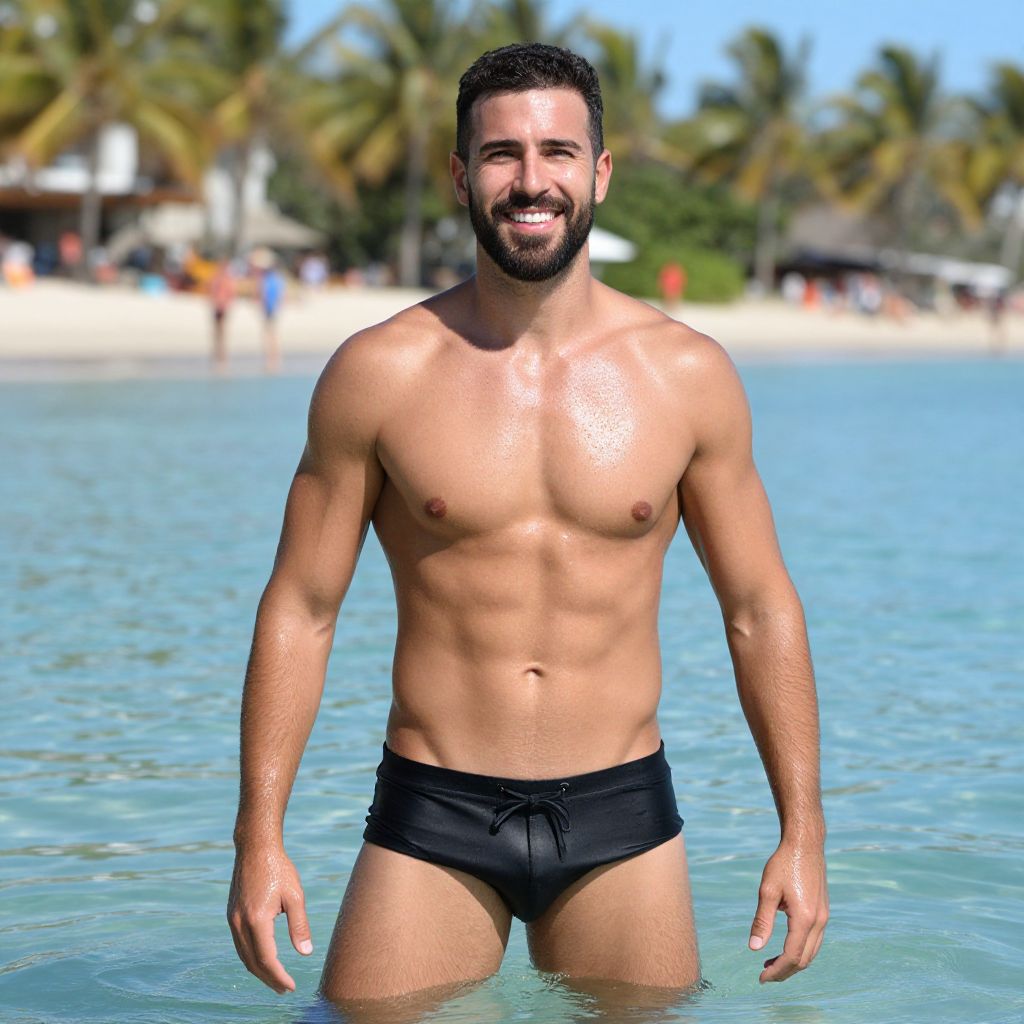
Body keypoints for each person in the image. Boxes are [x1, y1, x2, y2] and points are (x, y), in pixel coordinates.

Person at [227, 43, 828, 1008]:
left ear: (599, 173)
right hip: (435, 806)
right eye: (502, 154)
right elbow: (301, 608)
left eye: (558, 151)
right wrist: (259, 838)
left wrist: (803, 834)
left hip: (621, 812)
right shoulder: (380, 372)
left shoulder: (687, 377)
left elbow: (760, 608)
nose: (531, 180)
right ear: (463, 176)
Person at [209, 259, 235, 371]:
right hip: (218, 307)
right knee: (217, 333)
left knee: (222, 333)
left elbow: (231, 293)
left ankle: (222, 357)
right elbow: (212, 291)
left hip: (222, 307)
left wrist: (225, 303)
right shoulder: (218, 279)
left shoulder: (226, 279)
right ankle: (218, 356)